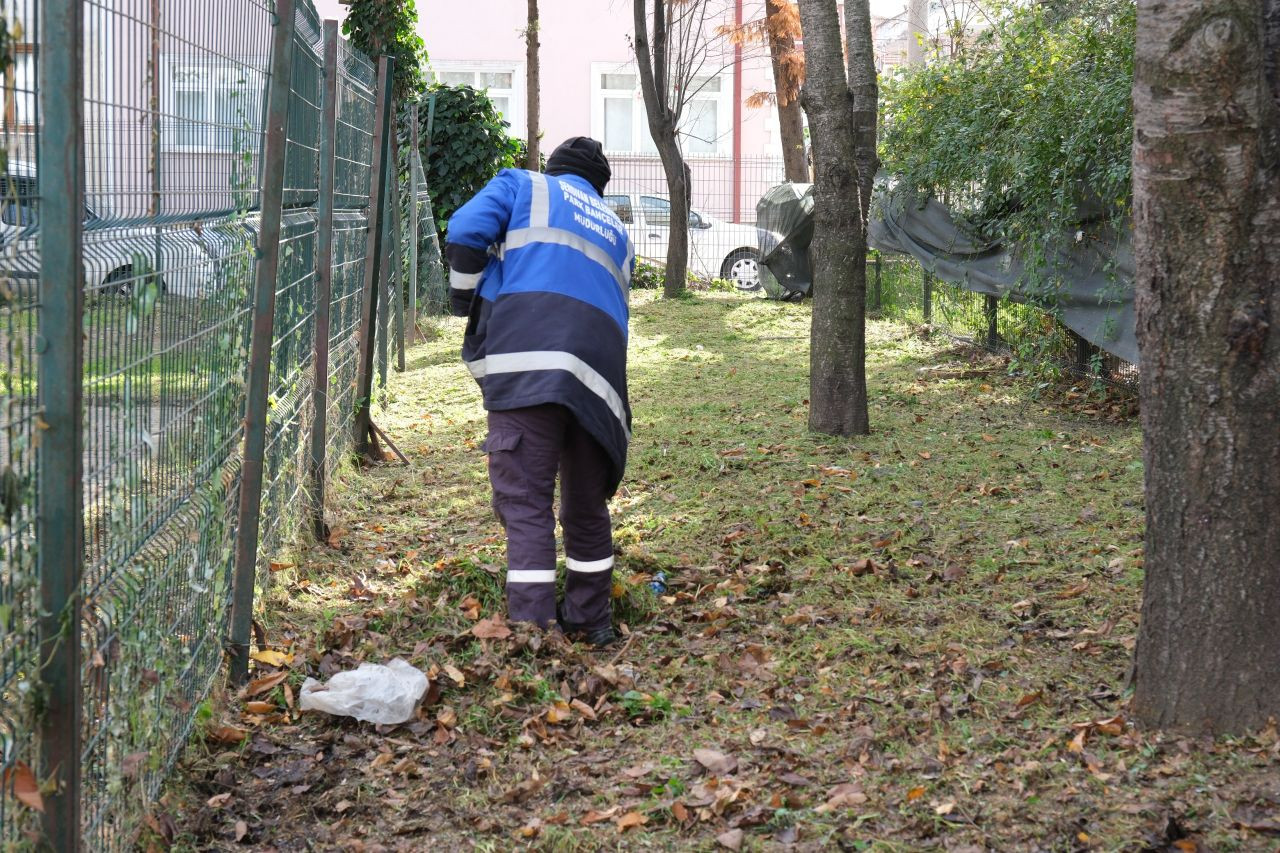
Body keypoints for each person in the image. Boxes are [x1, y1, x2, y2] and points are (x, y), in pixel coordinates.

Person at [444, 137, 633, 647]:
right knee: (585, 505)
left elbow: (464, 230)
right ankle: (592, 623)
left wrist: (464, 299)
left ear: (554, 170)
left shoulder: (523, 185)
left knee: (526, 503)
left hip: (529, 365)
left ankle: (531, 631)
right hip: (600, 380)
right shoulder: (616, 229)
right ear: (599, 187)